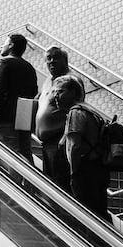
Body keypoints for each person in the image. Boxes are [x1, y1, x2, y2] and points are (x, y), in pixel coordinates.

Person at [52, 76, 112, 222]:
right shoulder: (91, 111)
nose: (55, 96)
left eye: (60, 92)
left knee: (87, 214)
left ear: (73, 92)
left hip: (85, 173)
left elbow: (75, 145)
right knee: (98, 211)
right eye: (54, 92)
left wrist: (73, 175)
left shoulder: (76, 112)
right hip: (98, 170)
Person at [35, 45, 83, 193]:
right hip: (46, 141)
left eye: (56, 58)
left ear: (65, 60)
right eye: (48, 58)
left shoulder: (71, 80)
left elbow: (75, 109)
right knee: (50, 182)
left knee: (60, 183)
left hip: (60, 140)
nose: (52, 61)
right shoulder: (49, 80)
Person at [0, 34, 38, 162]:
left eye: (5, 43)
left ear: (11, 45)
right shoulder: (29, 67)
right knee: (25, 150)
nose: (2, 45)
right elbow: (33, 91)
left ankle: (15, 181)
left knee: (11, 152)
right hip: (25, 114)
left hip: (7, 117)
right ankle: (31, 181)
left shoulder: (5, 63)